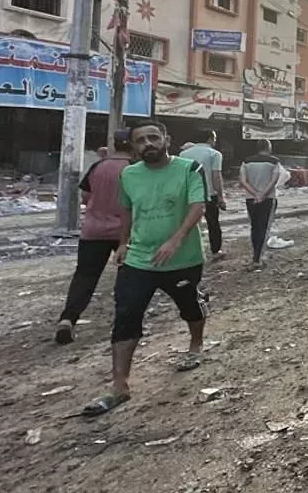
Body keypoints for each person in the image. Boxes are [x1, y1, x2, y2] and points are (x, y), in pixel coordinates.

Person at [83, 121, 209, 417]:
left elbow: (198, 207)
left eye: (154, 138)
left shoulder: (190, 169)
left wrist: (176, 240)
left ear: (167, 139)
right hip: (139, 258)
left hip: (183, 259)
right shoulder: (129, 174)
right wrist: (123, 243)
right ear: (134, 145)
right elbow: (127, 210)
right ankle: (119, 386)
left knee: (189, 305)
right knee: (126, 313)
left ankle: (196, 344)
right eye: (141, 140)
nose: (148, 144)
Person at [56, 130, 133, 344]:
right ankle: (124, 321)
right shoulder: (135, 169)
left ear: (115, 145)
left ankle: (67, 319)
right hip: (125, 233)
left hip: (93, 230)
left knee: (85, 277)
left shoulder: (98, 166)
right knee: (127, 277)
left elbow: (86, 196)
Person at [178, 130, 226, 260]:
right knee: (213, 224)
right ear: (209, 139)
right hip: (209, 195)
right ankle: (216, 251)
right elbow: (216, 176)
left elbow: (182, 176)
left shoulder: (183, 154)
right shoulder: (215, 154)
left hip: (190, 195)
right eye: (214, 138)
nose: (215, 141)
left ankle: (189, 253)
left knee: (190, 224)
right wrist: (221, 196)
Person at [239, 140, 281, 267]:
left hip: (250, 199)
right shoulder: (274, 161)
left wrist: (255, 194)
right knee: (264, 227)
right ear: (268, 147)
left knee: (254, 226)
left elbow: (243, 181)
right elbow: (274, 180)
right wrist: (262, 194)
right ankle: (258, 258)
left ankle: (255, 254)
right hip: (268, 198)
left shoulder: (246, 161)